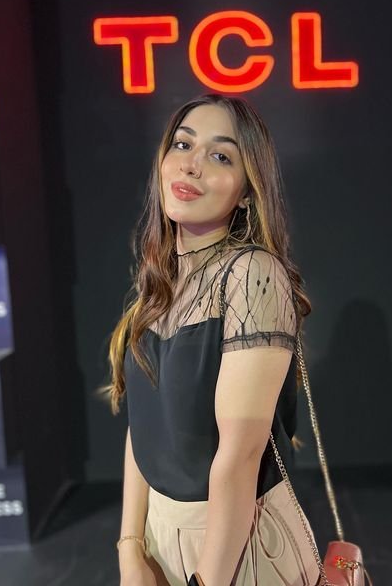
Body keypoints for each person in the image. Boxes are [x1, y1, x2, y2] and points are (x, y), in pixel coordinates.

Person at [105, 93, 321, 586]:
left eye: (221, 156)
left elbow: (239, 457)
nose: (192, 164)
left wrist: (209, 579)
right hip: (159, 535)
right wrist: (130, 547)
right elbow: (143, 429)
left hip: (232, 544)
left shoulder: (252, 275)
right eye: (183, 144)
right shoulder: (160, 284)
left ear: (247, 191)